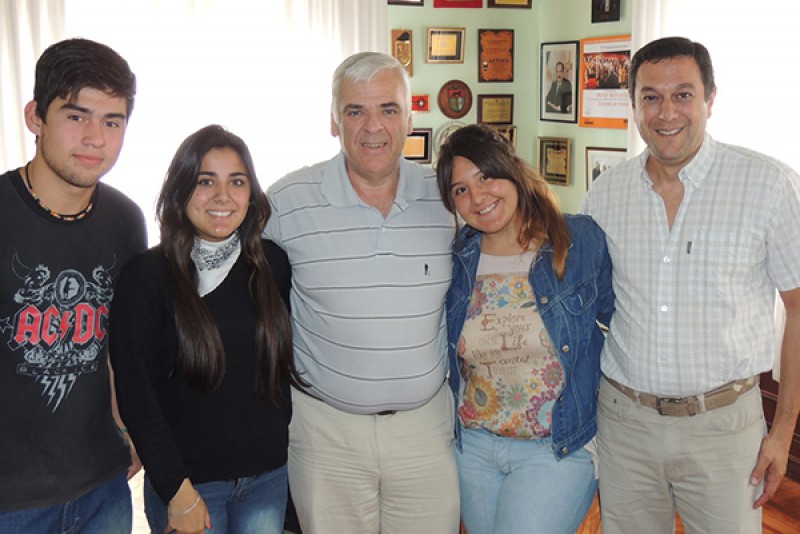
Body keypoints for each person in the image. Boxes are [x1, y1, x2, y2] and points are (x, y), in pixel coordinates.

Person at [582, 36, 800, 533]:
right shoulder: (605, 194)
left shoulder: (769, 185)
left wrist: (784, 428)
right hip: (625, 424)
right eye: (651, 97)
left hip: (724, 429)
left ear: (710, 98)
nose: (666, 113)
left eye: (683, 94)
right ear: (634, 104)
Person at [264, 51, 460, 533]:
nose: (373, 127)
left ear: (409, 119)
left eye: (388, 109)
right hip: (326, 432)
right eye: (356, 111)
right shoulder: (287, 202)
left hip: (424, 430)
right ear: (334, 121)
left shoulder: (448, 198)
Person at [109, 125, 303, 534]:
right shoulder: (146, 277)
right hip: (189, 486)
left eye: (237, 181)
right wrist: (176, 489)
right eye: (205, 181)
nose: (222, 196)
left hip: (267, 479)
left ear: (251, 194)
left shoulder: (272, 264)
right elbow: (138, 396)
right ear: (181, 190)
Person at [436, 124, 614, 534]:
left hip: (555, 448)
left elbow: (622, 324)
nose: (478, 197)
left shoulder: (578, 240)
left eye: (486, 176)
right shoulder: (457, 259)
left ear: (512, 169)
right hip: (475, 448)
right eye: (461, 189)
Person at [0, 38, 144, 532]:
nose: (95, 138)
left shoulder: (126, 220)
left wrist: (128, 430)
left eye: (112, 122)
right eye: (76, 115)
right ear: (35, 116)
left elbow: (117, 345)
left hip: (103, 488)